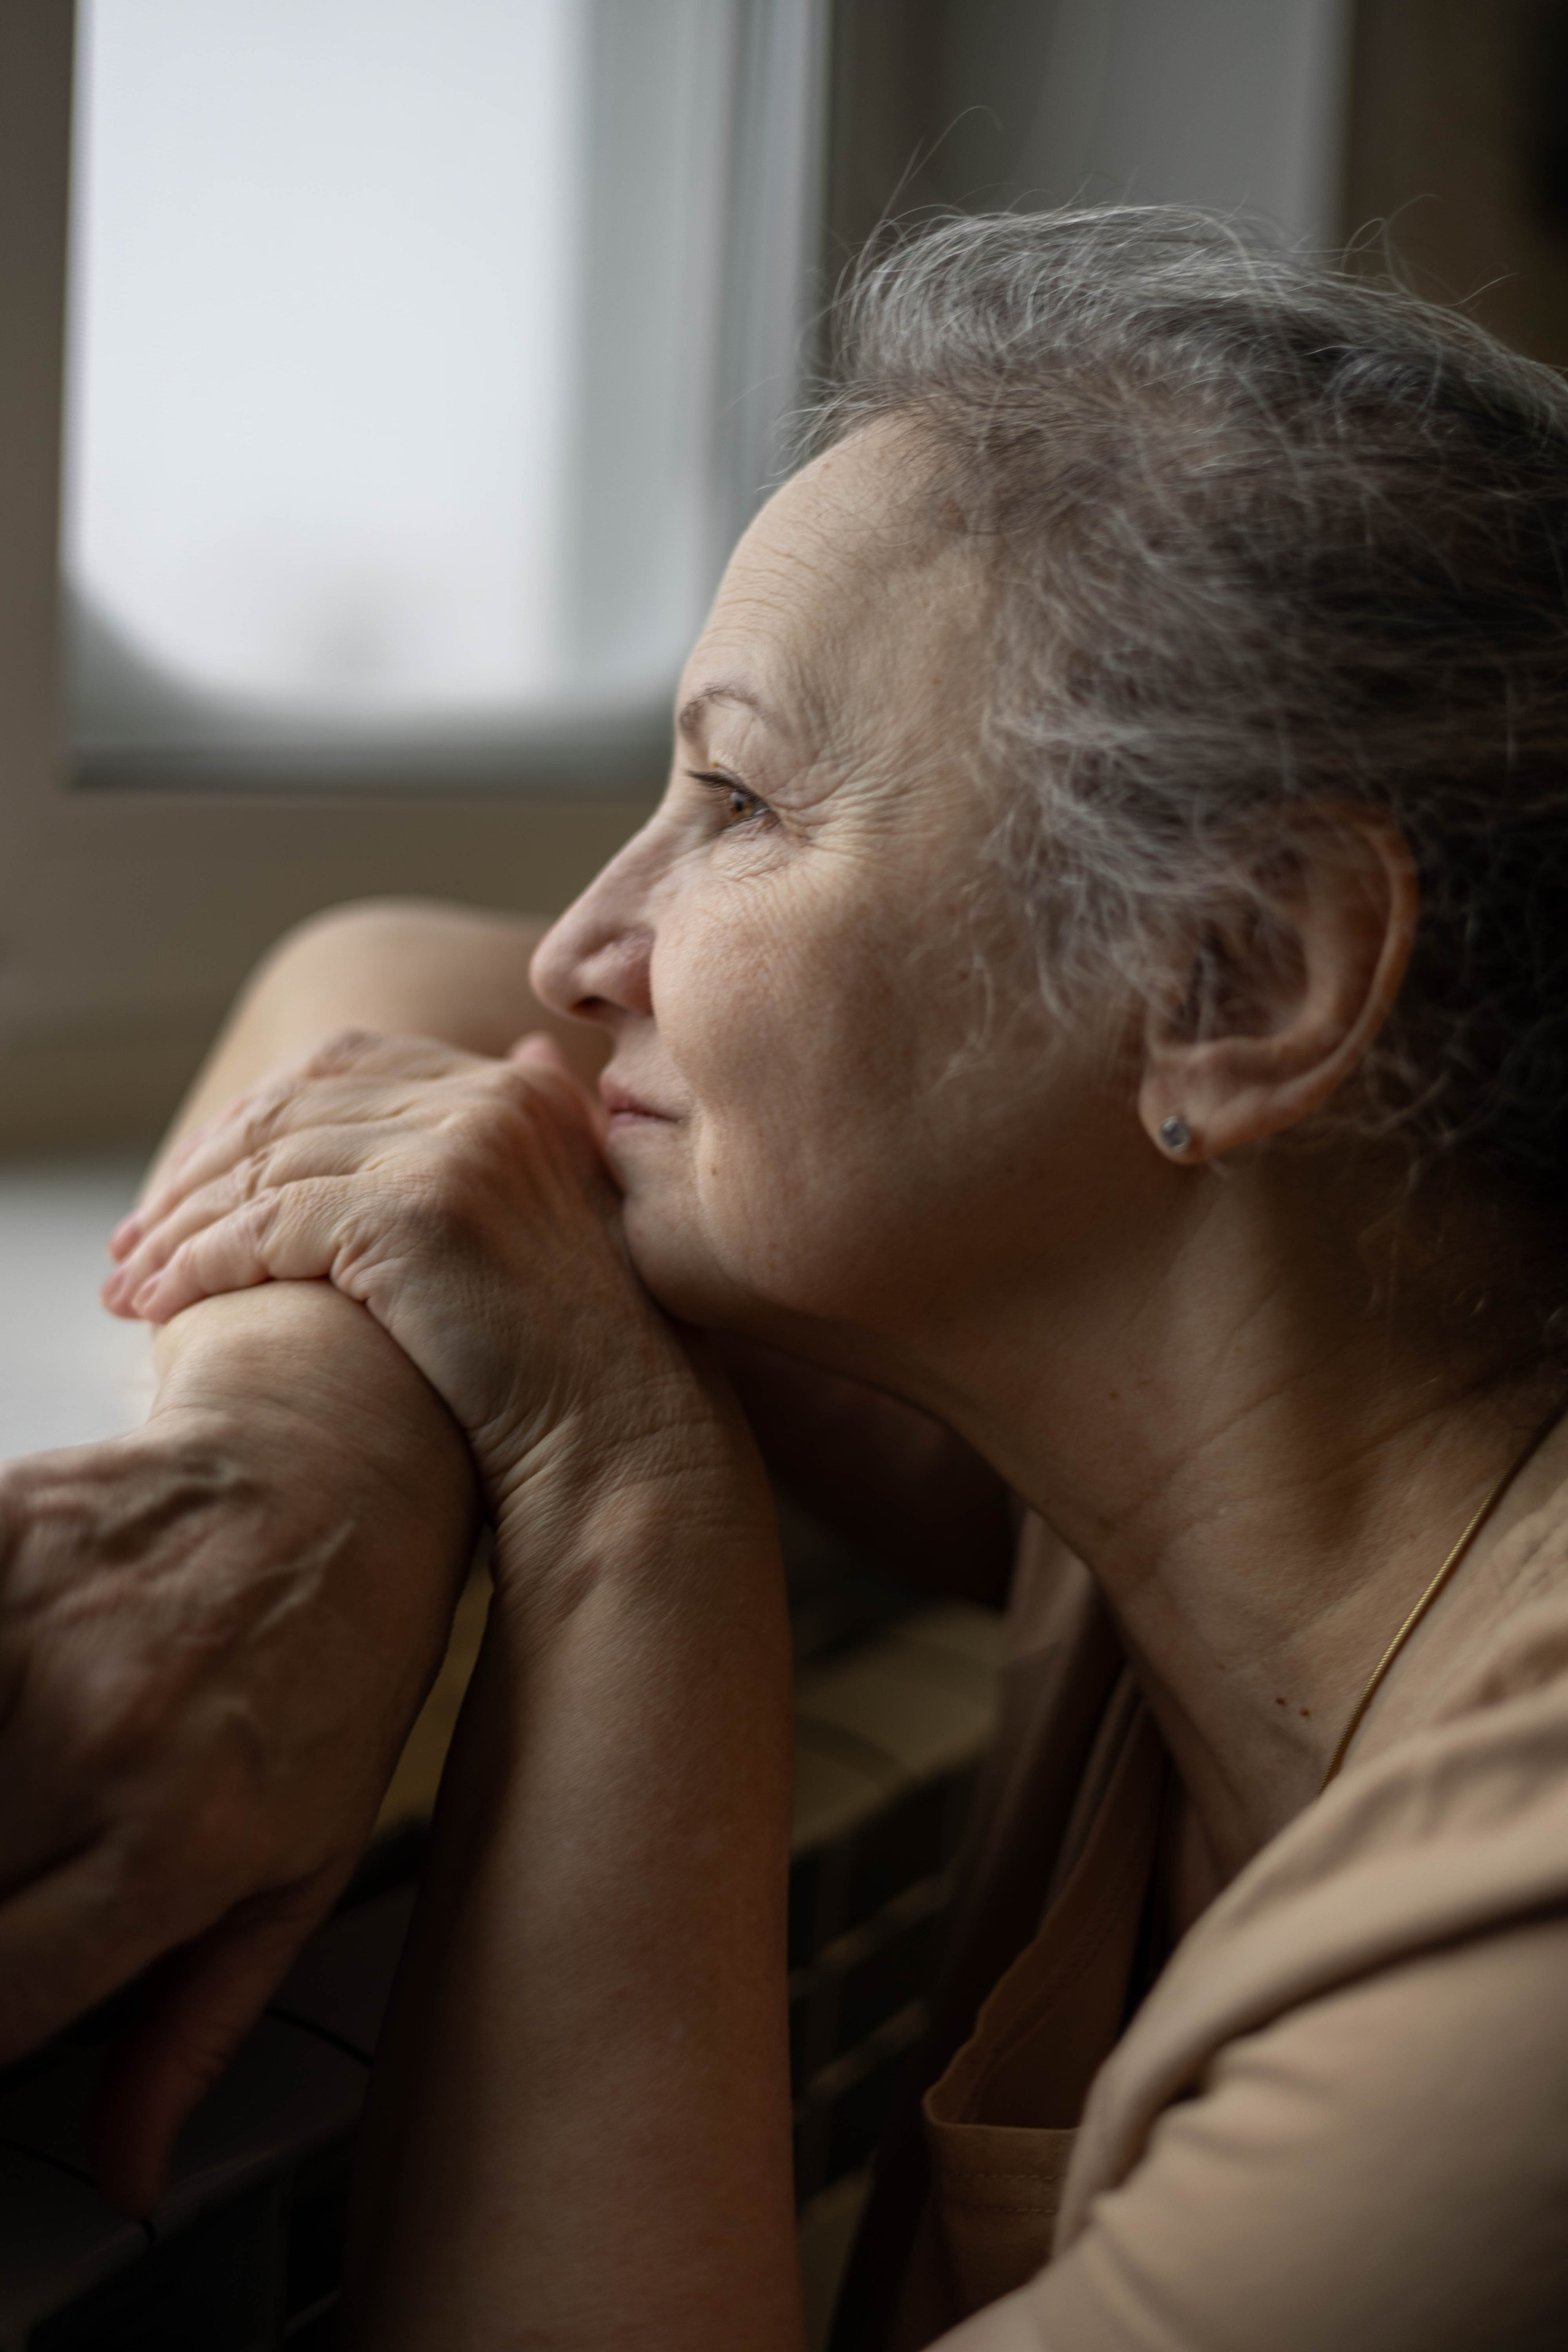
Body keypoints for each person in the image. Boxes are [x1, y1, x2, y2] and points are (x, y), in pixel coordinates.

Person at [11, 206, 1568, 2347]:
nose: (579, 951)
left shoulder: (1526, 1957)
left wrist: (619, 1491)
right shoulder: (1226, 1407)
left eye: (736, 798)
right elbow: (376, 992)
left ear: (1243, 979)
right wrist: (293, 1483)